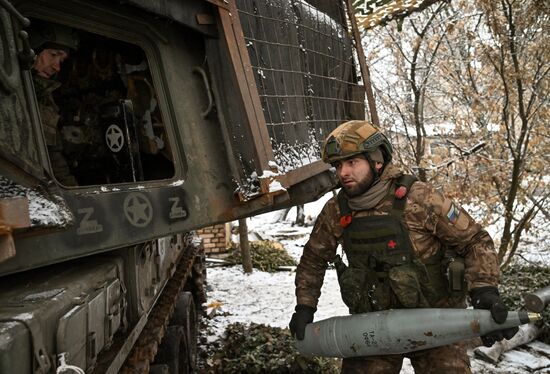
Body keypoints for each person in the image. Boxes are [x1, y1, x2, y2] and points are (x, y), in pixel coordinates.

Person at [289, 120, 518, 373]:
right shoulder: (336, 211)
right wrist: (305, 307)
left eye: (352, 162)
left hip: (436, 321)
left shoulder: (420, 199)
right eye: (338, 165)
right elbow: (313, 259)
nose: (343, 172)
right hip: (372, 326)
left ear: (377, 161)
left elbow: (474, 241)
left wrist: (484, 290)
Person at [30, 21, 79, 186]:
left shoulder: (44, 98)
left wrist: (73, 191)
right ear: (33, 51)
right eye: (53, 54)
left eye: (61, 60)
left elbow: (53, 156)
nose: (57, 67)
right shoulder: (13, 88)